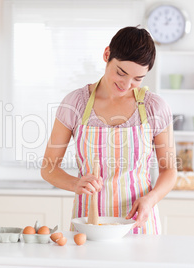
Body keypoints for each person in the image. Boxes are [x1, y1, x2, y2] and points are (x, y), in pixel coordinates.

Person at [41, 26, 177, 234]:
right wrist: (76, 183)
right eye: (121, 72)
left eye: (137, 78)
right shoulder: (75, 103)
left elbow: (169, 170)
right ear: (107, 55)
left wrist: (150, 200)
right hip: (89, 225)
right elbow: (48, 168)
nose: (126, 84)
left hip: (139, 226)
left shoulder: (154, 108)